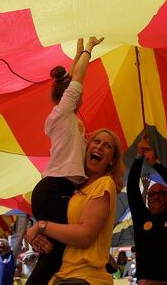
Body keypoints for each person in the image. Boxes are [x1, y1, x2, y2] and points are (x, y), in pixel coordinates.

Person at [27, 36, 104, 284]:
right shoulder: (63, 114)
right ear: (70, 95)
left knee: (56, 254)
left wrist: (77, 55)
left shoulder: (65, 119)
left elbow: (70, 80)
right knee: (54, 255)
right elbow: (77, 79)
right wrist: (89, 50)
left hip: (57, 189)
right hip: (54, 190)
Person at [25, 127, 125, 285]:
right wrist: (40, 238)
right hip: (64, 275)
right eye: (96, 141)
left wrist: (42, 226)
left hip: (84, 277)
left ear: (112, 160)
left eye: (107, 146)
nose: (99, 147)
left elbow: (85, 235)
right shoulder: (77, 189)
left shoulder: (104, 184)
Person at [126, 134, 167, 284]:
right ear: (147, 199)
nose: (156, 197)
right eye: (152, 194)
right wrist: (139, 157)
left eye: (161, 193)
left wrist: (155, 164)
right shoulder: (141, 217)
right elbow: (132, 189)